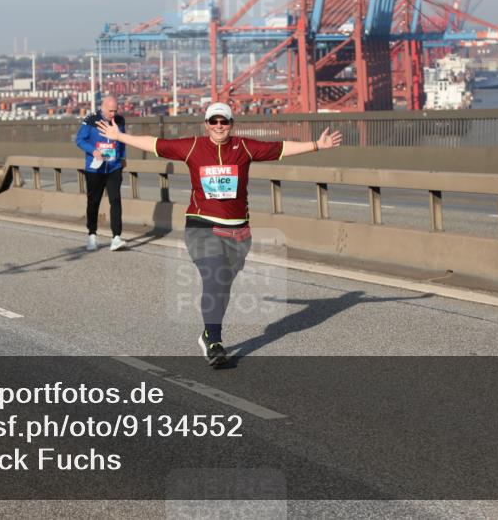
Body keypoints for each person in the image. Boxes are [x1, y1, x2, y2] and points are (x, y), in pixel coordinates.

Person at [97, 102, 342, 367]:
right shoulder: (193, 146)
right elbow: (155, 144)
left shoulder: (244, 147)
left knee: (222, 286)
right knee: (214, 278)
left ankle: (208, 333)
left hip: (238, 231)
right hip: (202, 225)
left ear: (231, 124)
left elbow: (280, 148)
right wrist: (119, 136)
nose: (218, 126)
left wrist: (317, 145)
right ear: (206, 125)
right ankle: (214, 342)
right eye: (213, 121)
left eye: (223, 121)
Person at [76, 96, 126, 251]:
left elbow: (122, 140)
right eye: (110, 111)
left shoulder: (120, 120)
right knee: (93, 201)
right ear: (102, 107)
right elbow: (79, 140)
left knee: (115, 200)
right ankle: (92, 235)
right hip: (95, 168)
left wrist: (122, 158)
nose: (113, 114)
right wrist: (93, 151)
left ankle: (116, 237)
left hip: (113, 167)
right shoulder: (91, 120)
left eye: (115, 111)